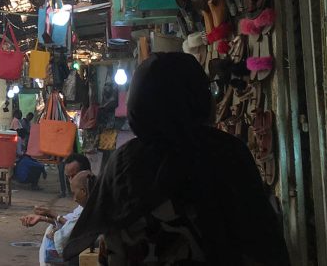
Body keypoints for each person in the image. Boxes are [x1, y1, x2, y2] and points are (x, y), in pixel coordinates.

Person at [63, 53, 290, 266]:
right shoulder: (225, 153)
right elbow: (262, 242)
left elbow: (109, 248)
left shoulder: (121, 163)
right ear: (197, 98)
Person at [21, 170, 95, 265]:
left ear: (83, 191)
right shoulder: (87, 205)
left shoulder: (92, 207)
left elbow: (73, 227)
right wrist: (44, 218)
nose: (74, 199)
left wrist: (55, 231)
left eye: (74, 193)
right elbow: (70, 222)